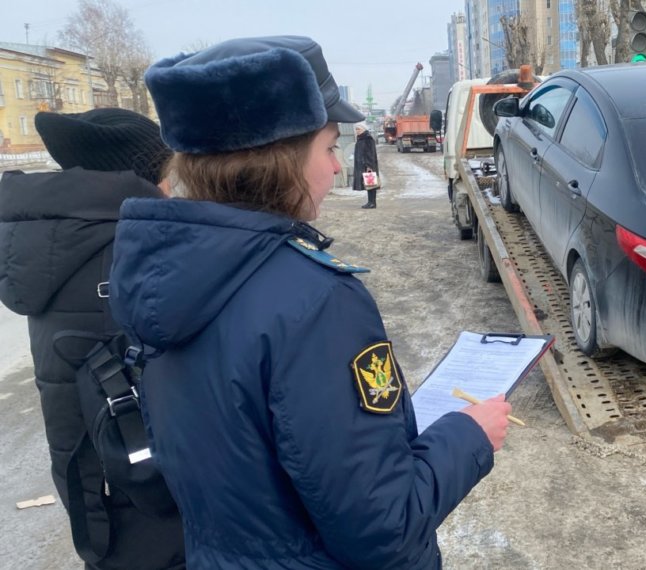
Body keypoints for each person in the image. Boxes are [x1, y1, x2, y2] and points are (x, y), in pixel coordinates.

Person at [112, 36, 512, 568]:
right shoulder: (313, 302)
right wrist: (469, 436)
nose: (335, 167)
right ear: (279, 161)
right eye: (327, 147)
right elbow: (382, 528)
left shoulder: (166, 277)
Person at [0, 109, 185, 568]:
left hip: (95, 488)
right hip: (150, 494)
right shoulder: (131, 247)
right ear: (143, 176)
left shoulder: (56, 240)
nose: (174, 186)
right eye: (169, 174)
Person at [353, 122, 380, 208]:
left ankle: (372, 203)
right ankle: (370, 202)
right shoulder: (361, 138)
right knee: (369, 183)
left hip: (368, 165)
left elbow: (370, 153)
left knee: (371, 184)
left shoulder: (368, 138)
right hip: (363, 165)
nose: (357, 131)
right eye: (356, 129)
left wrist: (369, 166)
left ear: (364, 129)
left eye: (359, 129)